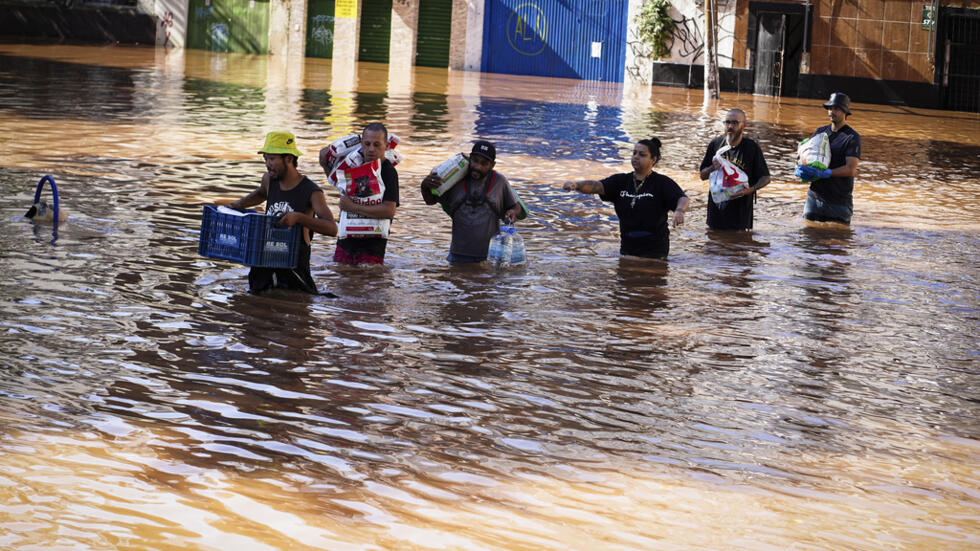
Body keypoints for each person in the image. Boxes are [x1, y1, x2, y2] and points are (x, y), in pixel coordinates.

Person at [227, 131, 338, 295]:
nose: (267, 164)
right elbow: (261, 193)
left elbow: (332, 229)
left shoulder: (311, 191)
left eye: (272, 159)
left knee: (297, 305)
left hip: (293, 265)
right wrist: (237, 204)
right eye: (265, 159)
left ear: (289, 159)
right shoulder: (269, 180)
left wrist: (299, 218)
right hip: (264, 258)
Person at [563, 138, 689, 259]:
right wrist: (577, 185)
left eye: (642, 154)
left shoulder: (662, 183)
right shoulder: (620, 181)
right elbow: (597, 186)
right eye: (634, 153)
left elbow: (682, 198)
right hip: (628, 248)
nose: (636, 157)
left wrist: (679, 211)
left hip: (655, 250)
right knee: (624, 278)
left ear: (653, 159)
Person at [419, 140, 525, 263]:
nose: (477, 167)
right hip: (457, 255)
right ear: (469, 158)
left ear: (492, 165)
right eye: (474, 160)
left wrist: (513, 212)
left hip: (490, 257)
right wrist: (424, 186)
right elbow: (430, 201)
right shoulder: (455, 178)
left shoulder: (499, 182)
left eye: (484, 163)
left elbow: (516, 207)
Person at [327, 122, 399, 265]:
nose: (371, 149)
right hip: (345, 242)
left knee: (368, 280)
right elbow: (337, 185)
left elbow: (389, 211)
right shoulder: (354, 164)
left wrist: (353, 207)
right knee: (341, 280)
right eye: (367, 144)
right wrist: (325, 162)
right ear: (361, 144)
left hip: (372, 247)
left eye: (376, 144)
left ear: (387, 146)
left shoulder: (388, 171)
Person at [698, 108, 771, 230]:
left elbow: (766, 178)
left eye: (735, 123)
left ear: (744, 126)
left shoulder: (752, 148)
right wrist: (712, 168)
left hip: (740, 215)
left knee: (739, 244)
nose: (730, 126)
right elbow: (702, 176)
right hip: (715, 213)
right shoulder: (715, 144)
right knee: (712, 244)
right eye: (727, 122)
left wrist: (750, 190)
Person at [795, 92, 862, 224]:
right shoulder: (820, 132)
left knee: (837, 240)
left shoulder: (852, 137)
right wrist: (800, 166)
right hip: (814, 198)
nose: (832, 111)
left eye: (836, 108)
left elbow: (851, 169)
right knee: (807, 239)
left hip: (839, 202)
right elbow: (805, 155)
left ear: (845, 112)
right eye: (830, 108)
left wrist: (827, 173)